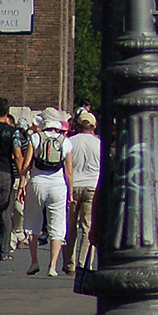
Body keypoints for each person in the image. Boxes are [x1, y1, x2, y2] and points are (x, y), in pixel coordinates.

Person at [23, 111, 72, 276]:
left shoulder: (35, 138)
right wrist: (70, 192)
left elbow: (26, 165)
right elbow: (69, 172)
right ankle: (53, 266)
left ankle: (34, 261)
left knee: (32, 222)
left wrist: (23, 184)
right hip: (58, 185)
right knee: (57, 225)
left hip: (37, 183)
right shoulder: (65, 142)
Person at [62, 110, 99, 275]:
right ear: (94, 126)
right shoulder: (99, 144)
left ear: (77, 125)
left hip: (73, 186)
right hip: (92, 186)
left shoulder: (70, 141)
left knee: (70, 227)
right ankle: (83, 263)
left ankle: (69, 263)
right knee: (87, 227)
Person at [0, 99, 27, 261]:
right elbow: (17, 155)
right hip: (4, 173)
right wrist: (22, 175)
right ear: (7, 112)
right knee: (5, 212)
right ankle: (4, 250)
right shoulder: (12, 132)